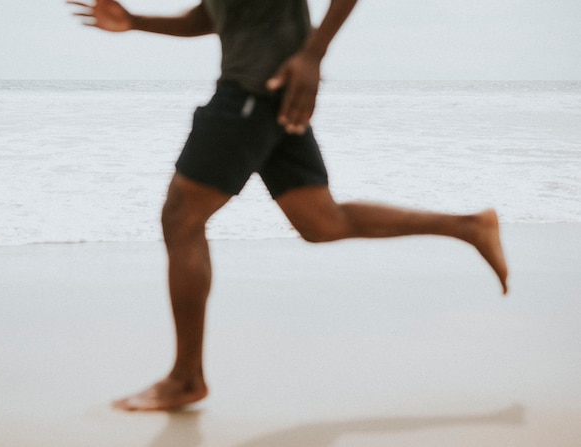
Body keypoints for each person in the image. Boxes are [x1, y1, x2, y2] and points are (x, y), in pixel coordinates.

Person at [68, 0, 508, 411]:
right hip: (269, 93)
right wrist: (135, 21)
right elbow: (209, 15)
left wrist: (313, 56)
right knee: (321, 222)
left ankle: (186, 378)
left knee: (182, 216)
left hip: (254, 92)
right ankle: (470, 226)